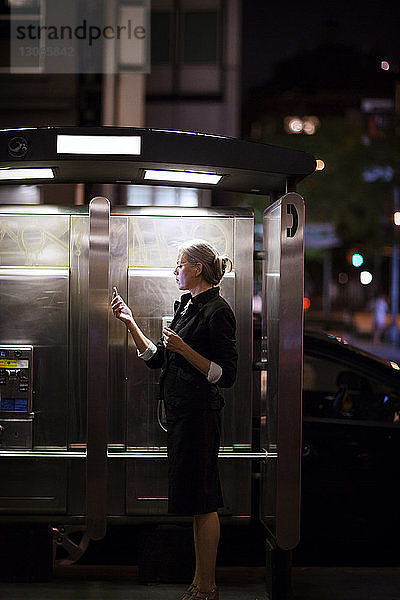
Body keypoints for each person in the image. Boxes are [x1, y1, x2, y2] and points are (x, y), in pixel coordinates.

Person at [111, 239, 238, 600]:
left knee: (204, 499)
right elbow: (159, 360)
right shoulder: (185, 306)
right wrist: (131, 323)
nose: (175, 270)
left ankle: (208, 586)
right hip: (181, 414)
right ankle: (199, 582)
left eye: (180, 264)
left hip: (201, 414)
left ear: (197, 268)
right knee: (195, 501)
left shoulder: (217, 311)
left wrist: (185, 348)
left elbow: (226, 374)